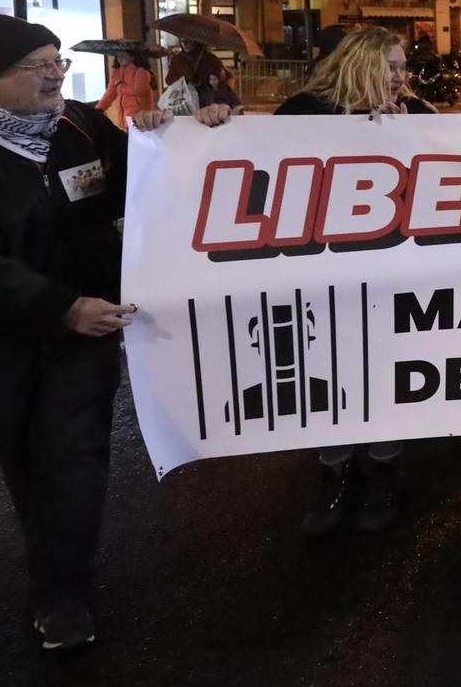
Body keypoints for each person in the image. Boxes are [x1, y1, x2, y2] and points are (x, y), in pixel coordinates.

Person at [0, 15, 229, 650]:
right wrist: (58, 305)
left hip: (83, 334)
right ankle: (54, 558)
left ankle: (62, 593)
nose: (56, 73)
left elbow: (144, 183)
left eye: (58, 60)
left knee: (71, 456)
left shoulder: (79, 126)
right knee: (25, 459)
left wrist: (186, 137)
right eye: (37, 63)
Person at [274, 29, 434, 535]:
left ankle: (385, 466)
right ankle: (335, 469)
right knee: (329, 369)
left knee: (384, 371)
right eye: (389, 66)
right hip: (321, 276)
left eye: (402, 66)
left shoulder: (419, 114)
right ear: (357, 64)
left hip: (393, 278)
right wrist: (209, 127)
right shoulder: (303, 113)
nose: (399, 76)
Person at [158, 44, 242, 117]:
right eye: (182, 40)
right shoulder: (178, 60)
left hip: (207, 103)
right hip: (186, 103)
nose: (185, 43)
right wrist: (186, 79)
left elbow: (226, 77)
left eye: (189, 40)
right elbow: (169, 80)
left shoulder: (210, 59)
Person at [96, 48, 157, 124]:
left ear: (132, 57)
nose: (120, 59)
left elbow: (140, 90)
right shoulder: (116, 72)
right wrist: (100, 107)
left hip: (140, 115)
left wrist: (121, 87)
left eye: (123, 56)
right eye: (118, 56)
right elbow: (111, 91)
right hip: (124, 115)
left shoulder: (141, 71)